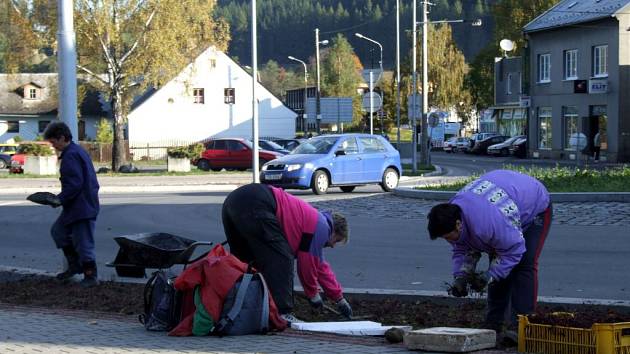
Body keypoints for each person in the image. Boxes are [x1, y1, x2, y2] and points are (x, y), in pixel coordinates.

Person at [427, 170, 552, 332]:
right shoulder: (450, 216)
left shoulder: (487, 225)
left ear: (458, 224)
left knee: (523, 264)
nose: (448, 240)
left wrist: (490, 276)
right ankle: (494, 324)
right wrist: (461, 276)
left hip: (535, 205)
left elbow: (513, 250)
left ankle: (522, 327)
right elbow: (462, 250)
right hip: (501, 201)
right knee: (498, 265)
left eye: (448, 236)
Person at [222, 183, 352, 323]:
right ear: (334, 230)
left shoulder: (313, 222)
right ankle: (282, 313)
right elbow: (306, 265)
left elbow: (320, 267)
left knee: (244, 263)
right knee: (282, 258)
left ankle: (232, 308)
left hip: (234, 200)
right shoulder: (322, 227)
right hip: (258, 202)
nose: (332, 246)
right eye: (336, 240)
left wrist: (339, 299)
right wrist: (313, 296)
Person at [43, 121, 100, 288]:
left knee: (84, 242)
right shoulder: (75, 151)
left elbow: (75, 183)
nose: (53, 146)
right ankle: (75, 266)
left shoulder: (71, 155)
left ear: (62, 138)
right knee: (58, 232)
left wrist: (59, 199)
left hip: (82, 207)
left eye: (54, 142)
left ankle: (91, 276)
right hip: (77, 205)